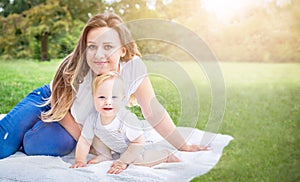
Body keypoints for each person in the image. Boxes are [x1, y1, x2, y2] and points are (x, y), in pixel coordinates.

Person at [0, 12, 208, 159]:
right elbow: (62, 109)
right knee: (3, 146)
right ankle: (27, 121)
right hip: (50, 99)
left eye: (108, 46)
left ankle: (32, 129)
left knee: (43, 144)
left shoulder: (133, 68)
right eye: (92, 47)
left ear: (123, 50)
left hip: (68, 113)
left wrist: (183, 145)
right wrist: (90, 144)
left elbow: (153, 110)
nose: (99, 55)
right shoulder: (76, 66)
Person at [70, 72, 180, 174]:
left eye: (114, 97)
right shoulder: (92, 119)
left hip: (138, 146)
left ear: (122, 100)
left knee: (138, 161)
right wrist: (80, 160)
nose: (108, 102)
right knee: (93, 136)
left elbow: (138, 143)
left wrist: (123, 161)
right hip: (119, 147)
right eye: (102, 97)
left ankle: (165, 155)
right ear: (94, 98)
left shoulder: (126, 119)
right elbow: (84, 141)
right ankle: (105, 155)